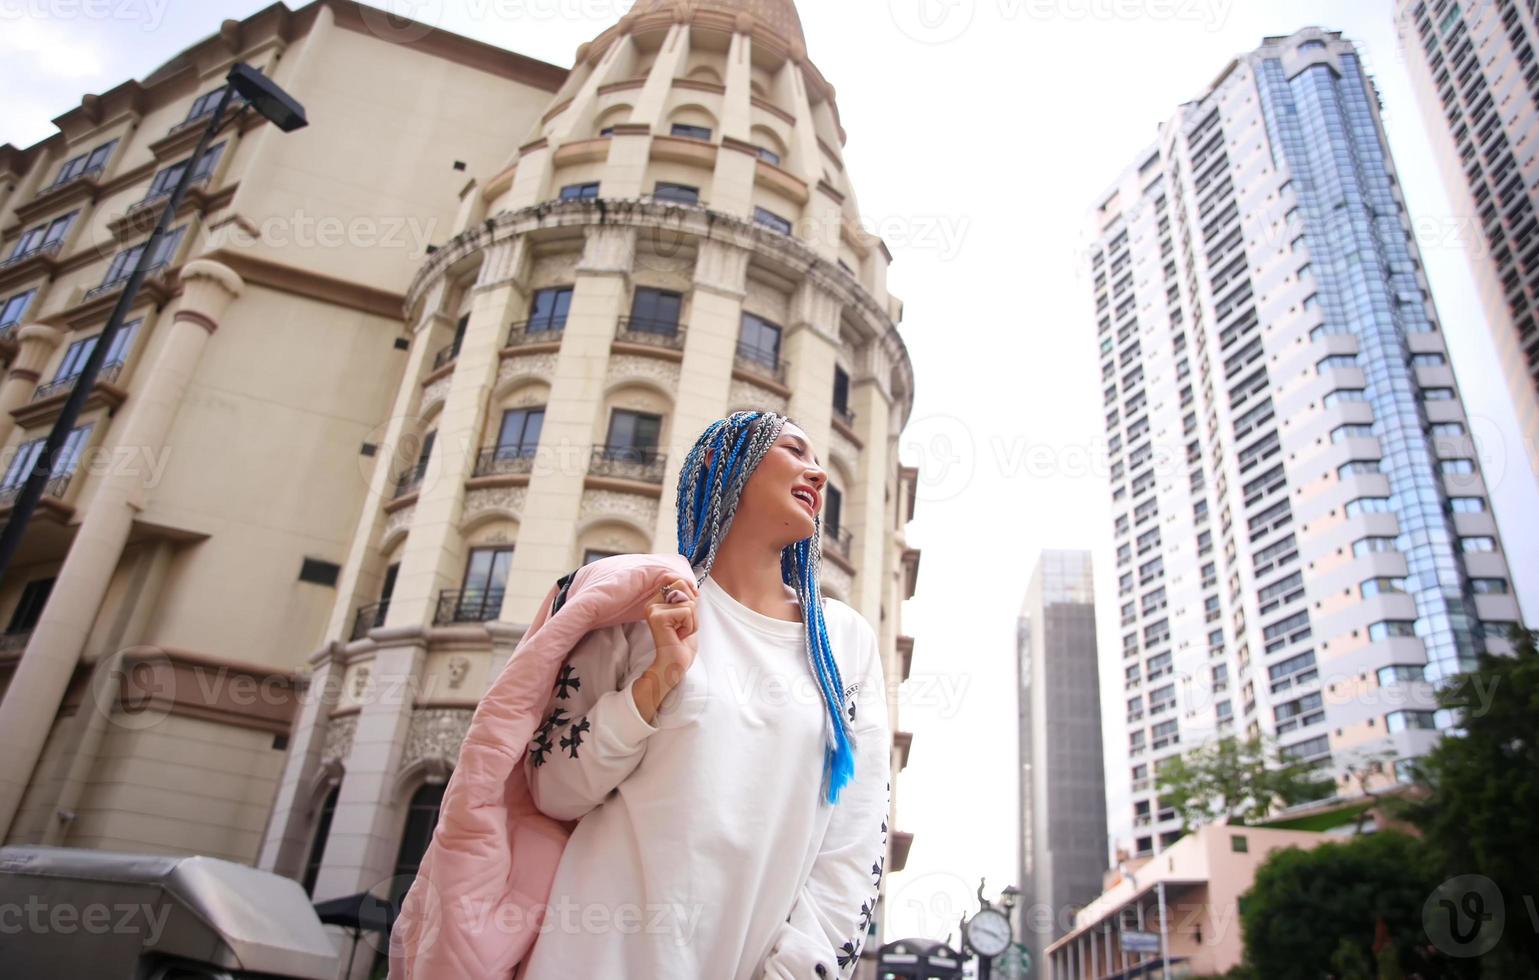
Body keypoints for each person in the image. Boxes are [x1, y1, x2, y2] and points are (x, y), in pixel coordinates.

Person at [516, 411, 892, 980]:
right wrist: (657, 682)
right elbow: (552, 788)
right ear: (722, 463)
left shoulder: (845, 642)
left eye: (818, 462)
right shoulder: (640, 604)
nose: (816, 473)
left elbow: (855, 841)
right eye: (793, 450)